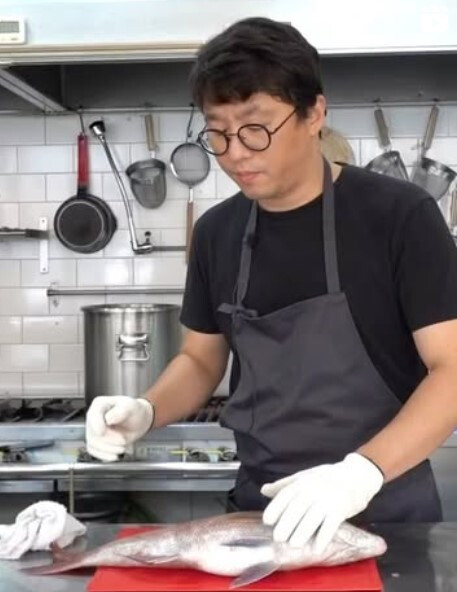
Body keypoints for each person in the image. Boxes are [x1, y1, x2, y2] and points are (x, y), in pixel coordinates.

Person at [86, 17, 457, 552]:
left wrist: (360, 473)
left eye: (255, 127)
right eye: (218, 132)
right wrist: (145, 411)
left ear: (314, 114)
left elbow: (451, 369)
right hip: (261, 519)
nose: (235, 152)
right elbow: (200, 361)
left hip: (386, 517)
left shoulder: (399, 217)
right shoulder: (216, 233)